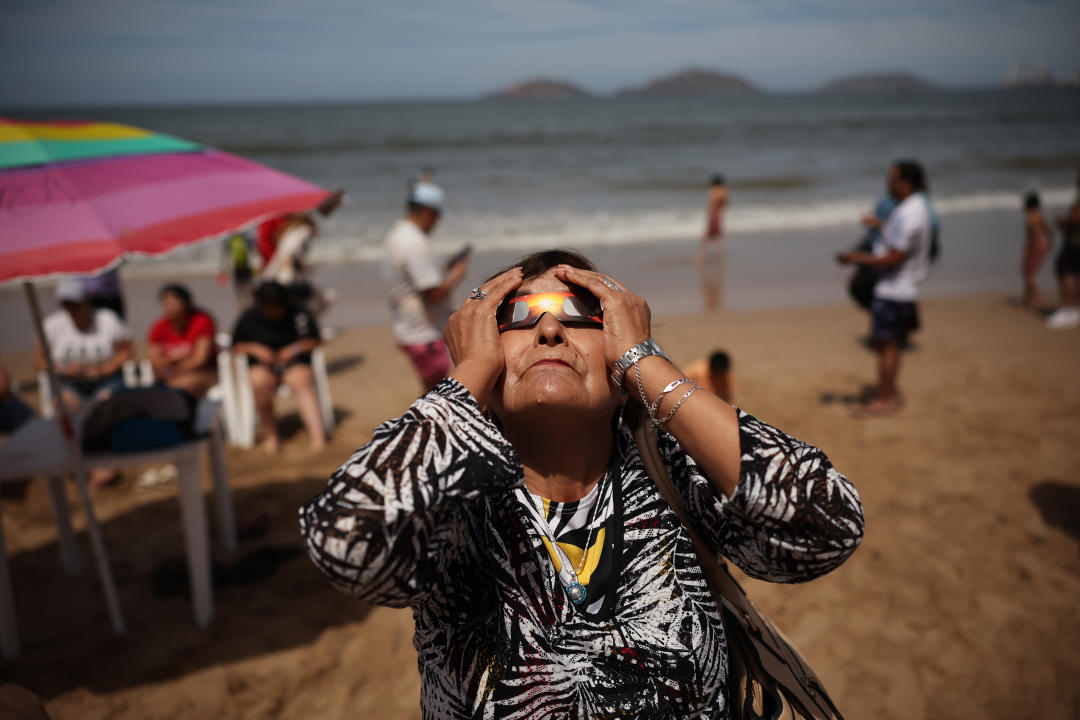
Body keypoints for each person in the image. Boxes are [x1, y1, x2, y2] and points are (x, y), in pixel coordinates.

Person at [301, 249, 864, 717]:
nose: (549, 328)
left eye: (579, 317)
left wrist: (647, 366)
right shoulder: (454, 498)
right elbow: (347, 538)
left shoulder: (671, 473)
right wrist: (468, 375)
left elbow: (826, 527)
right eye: (517, 318)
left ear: (619, 363)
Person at [838, 160, 935, 416]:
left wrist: (857, 257)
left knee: (887, 345)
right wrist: (880, 227)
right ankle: (888, 393)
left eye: (893, 179)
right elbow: (898, 241)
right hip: (898, 287)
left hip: (895, 289)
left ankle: (886, 398)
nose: (888, 184)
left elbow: (894, 258)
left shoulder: (910, 213)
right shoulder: (913, 208)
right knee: (888, 345)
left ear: (906, 183)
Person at [382, 181, 468, 390]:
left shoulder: (397, 235)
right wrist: (458, 274)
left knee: (434, 390)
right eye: (437, 216)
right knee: (439, 393)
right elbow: (434, 294)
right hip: (422, 332)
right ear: (429, 212)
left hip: (409, 327)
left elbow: (417, 281)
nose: (437, 222)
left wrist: (444, 270)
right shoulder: (413, 242)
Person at [231, 281, 325, 454]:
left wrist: (293, 349)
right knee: (258, 381)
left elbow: (315, 340)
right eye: (268, 307)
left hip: (294, 365)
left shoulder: (300, 314)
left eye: (276, 307)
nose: (273, 311)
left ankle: (317, 436)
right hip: (263, 367)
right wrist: (255, 349)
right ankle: (272, 434)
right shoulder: (248, 317)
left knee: (301, 379)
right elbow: (235, 345)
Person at [36, 279, 132, 412]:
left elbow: (126, 352)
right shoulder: (51, 325)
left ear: (87, 300)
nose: (71, 308)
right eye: (66, 304)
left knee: (108, 402)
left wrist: (105, 369)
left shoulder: (108, 319)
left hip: (106, 380)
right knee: (66, 401)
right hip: (67, 382)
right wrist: (67, 369)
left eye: (75, 303)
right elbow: (40, 361)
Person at [147, 284, 218, 398]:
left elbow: (200, 359)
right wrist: (175, 359)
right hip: (169, 375)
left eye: (174, 303)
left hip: (204, 373)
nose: (170, 308)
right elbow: (153, 359)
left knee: (183, 383)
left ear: (186, 303)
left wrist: (172, 367)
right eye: (166, 304)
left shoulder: (202, 321)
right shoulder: (159, 327)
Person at [1046, 169, 1080, 330]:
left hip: (1074, 243)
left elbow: (1076, 219)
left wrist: (1063, 222)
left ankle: (1068, 309)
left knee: (1065, 271)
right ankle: (1073, 310)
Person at [1021, 192, 1053, 311]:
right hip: (1041, 244)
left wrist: (1031, 248)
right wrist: (1049, 243)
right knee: (1028, 272)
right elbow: (1048, 230)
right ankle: (1027, 298)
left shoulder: (1032, 218)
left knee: (1029, 273)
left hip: (1035, 245)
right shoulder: (1039, 215)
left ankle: (1038, 299)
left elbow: (1034, 234)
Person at [219, 231, 256, 308]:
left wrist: (224, 269)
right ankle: (250, 306)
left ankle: (241, 307)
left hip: (236, 268)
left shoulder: (229, 239)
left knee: (239, 290)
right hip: (246, 266)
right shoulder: (245, 238)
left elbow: (225, 255)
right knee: (249, 289)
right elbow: (253, 252)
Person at [697, 174, 728, 263]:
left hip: (714, 215)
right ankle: (719, 256)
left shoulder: (715, 190)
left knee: (706, 237)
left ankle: (703, 255)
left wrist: (711, 214)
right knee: (718, 236)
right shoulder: (723, 190)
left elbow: (713, 202)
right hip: (719, 215)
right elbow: (725, 202)